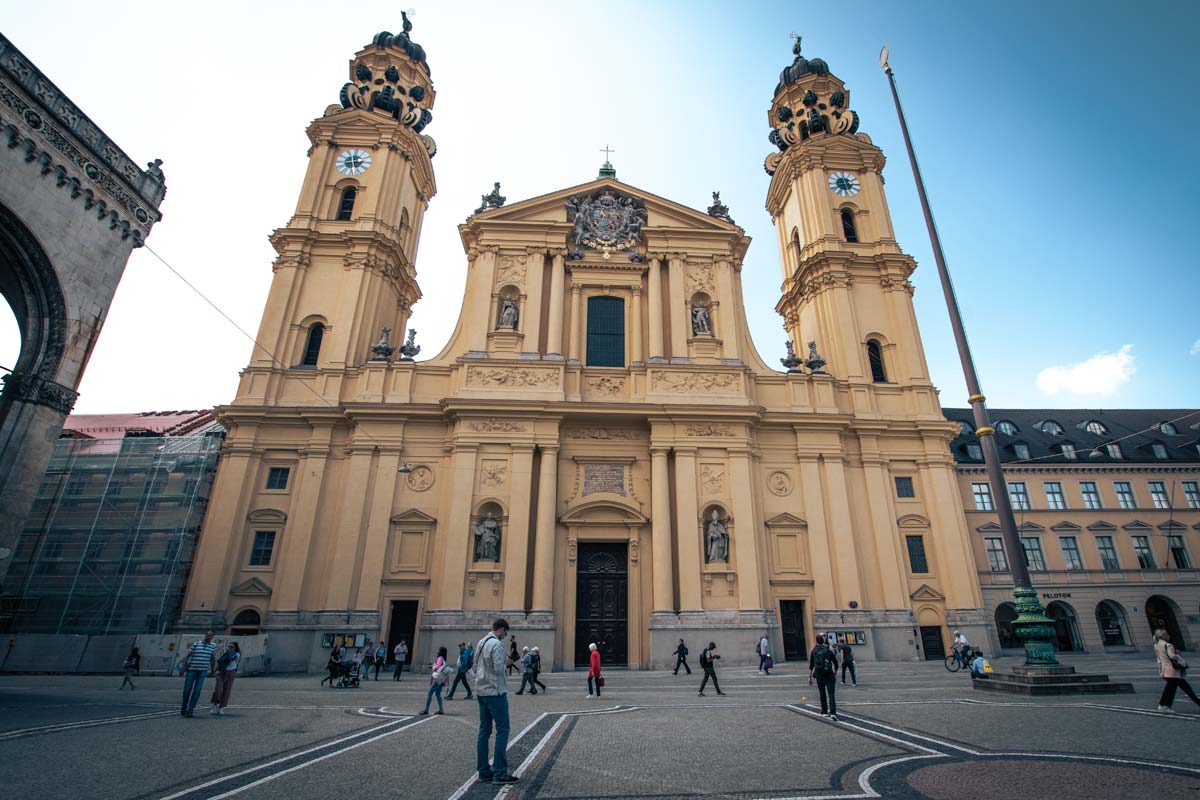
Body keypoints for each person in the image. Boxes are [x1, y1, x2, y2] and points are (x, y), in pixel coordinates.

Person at [474, 618, 517, 785]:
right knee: (503, 729)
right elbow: (499, 668)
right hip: (495, 692)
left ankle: (483, 771)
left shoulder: (481, 642)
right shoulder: (497, 645)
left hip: (481, 691)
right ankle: (500, 773)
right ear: (501, 629)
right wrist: (507, 662)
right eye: (505, 632)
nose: (505, 636)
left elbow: (475, 664)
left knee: (484, 731)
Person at [1155, 628, 1199, 713]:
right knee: (1183, 689)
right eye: (1167, 634)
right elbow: (1171, 656)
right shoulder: (1168, 645)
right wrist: (1179, 657)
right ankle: (1164, 706)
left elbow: (1159, 658)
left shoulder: (1157, 645)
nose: (1168, 636)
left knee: (1173, 689)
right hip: (1173, 671)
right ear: (1163, 636)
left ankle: (1163, 706)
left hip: (1166, 671)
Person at [181, 630, 217, 717]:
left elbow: (212, 658)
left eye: (210, 636)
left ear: (212, 637)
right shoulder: (196, 644)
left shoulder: (213, 646)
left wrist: (212, 670)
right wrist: (183, 668)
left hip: (202, 671)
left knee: (197, 691)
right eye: (207, 635)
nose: (208, 637)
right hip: (191, 670)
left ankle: (190, 710)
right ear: (205, 635)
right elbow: (187, 656)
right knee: (187, 690)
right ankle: (184, 706)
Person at [808, 634, 839, 720]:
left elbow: (811, 665)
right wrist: (835, 672)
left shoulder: (814, 651)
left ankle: (824, 711)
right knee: (831, 694)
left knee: (822, 693)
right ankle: (833, 713)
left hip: (819, 675)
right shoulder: (828, 651)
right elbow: (836, 663)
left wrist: (809, 677)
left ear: (816, 641)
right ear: (823, 641)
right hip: (829, 674)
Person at [210, 642, 240, 714]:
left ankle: (221, 707)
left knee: (227, 690)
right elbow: (220, 661)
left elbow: (232, 659)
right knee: (218, 689)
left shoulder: (236, 654)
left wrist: (230, 653)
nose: (230, 648)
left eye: (231, 647)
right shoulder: (224, 653)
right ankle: (215, 704)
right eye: (229, 647)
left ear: (235, 648)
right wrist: (216, 670)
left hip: (231, 672)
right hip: (222, 672)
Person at [420, 645, 448, 715]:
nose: (437, 651)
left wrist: (433, 667)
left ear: (441, 652)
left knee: (430, 693)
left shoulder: (440, 658)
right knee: (438, 694)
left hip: (437, 679)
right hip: (441, 679)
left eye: (438, 650)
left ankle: (426, 710)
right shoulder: (444, 659)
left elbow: (437, 667)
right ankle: (441, 710)